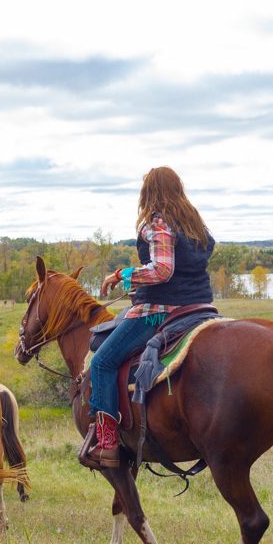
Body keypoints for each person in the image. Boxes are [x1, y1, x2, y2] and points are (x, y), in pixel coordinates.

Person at [82, 166, 215, 469]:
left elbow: (162, 269)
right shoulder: (196, 225)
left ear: (149, 193)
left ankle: (108, 443)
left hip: (159, 313)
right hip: (200, 308)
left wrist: (122, 274)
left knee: (102, 361)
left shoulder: (156, 223)